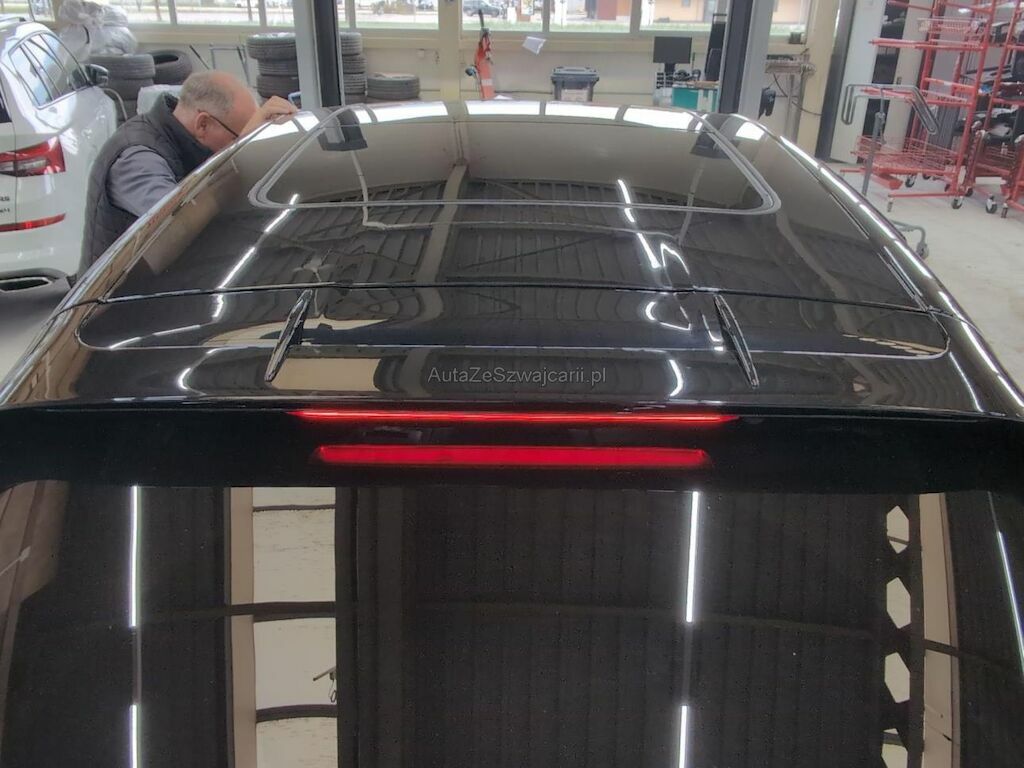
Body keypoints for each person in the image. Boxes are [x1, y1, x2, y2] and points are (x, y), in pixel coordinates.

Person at [79, 70, 297, 274]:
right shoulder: (138, 158)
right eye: (236, 138)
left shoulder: (186, 144)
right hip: (125, 299)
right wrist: (236, 154)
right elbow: (176, 225)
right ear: (203, 124)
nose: (238, 146)